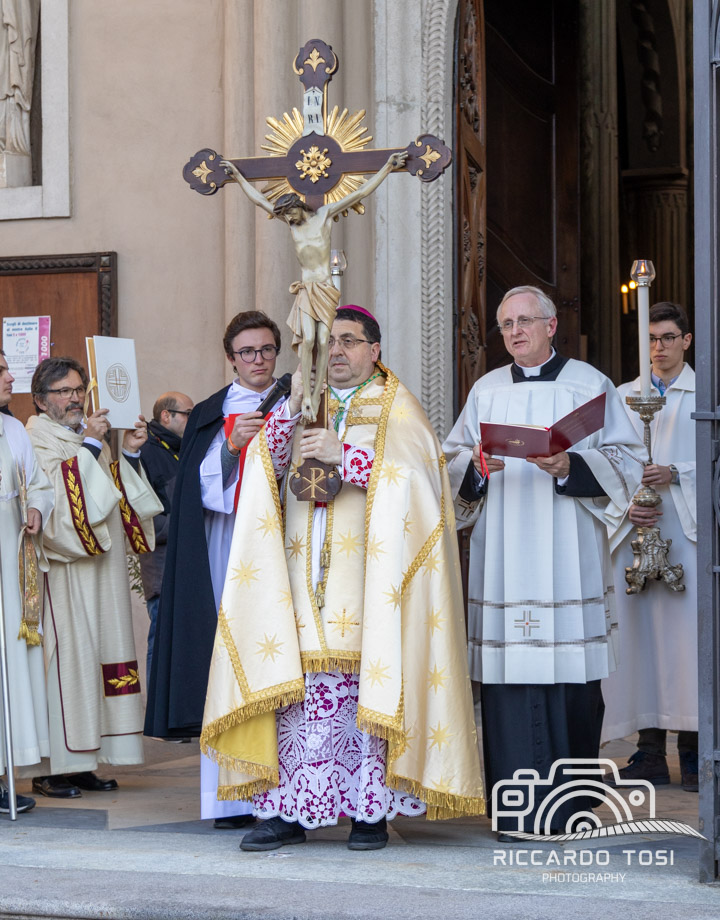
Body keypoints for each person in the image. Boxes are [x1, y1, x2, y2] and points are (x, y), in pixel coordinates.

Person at [201, 305, 484, 852]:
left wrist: (347, 455)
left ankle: (368, 813)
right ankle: (289, 813)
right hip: (299, 579)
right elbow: (266, 470)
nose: (337, 352)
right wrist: (285, 417)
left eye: (350, 342)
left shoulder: (397, 406)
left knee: (364, 697)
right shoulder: (305, 401)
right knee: (297, 701)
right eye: (329, 343)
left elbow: (421, 488)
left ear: (374, 350)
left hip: (370, 589)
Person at [443, 285, 646, 837]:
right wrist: (479, 469)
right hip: (504, 557)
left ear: (551, 325)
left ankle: (572, 809)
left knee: (571, 682)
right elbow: (452, 459)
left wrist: (571, 466)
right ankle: (513, 810)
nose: (513, 332)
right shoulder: (485, 390)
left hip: (568, 554)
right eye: (506, 324)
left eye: (524, 321)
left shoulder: (589, 385)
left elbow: (627, 459)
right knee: (509, 683)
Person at [145, 311, 286, 828]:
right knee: (224, 661)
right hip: (228, 549)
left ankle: (284, 797)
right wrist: (229, 447)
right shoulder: (211, 411)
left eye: (267, 349)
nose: (258, 360)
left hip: (285, 551)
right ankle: (231, 797)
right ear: (231, 358)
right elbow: (195, 493)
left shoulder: (297, 402)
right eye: (247, 352)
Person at [26, 356, 162, 798]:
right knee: (73, 665)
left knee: (106, 657)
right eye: (62, 392)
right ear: (42, 401)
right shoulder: (36, 437)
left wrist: (128, 452)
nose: (73, 398)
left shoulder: (87, 438)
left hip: (100, 572)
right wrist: (89, 446)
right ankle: (54, 767)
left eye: (78, 389)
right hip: (66, 574)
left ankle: (88, 760)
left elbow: (113, 494)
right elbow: (58, 505)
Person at [220, 152, 407, 422]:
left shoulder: (324, 217)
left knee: (323, 341)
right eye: (287, 218)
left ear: (298, 207)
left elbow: (360, 192)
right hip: (307, 290)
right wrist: (237, 176)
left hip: (324, 288)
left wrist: (387, 167)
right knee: (308, 341)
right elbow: (261, 200)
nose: (290, 221)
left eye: (292, 215)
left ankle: (320, 391)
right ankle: (308, 394)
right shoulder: (293, 225)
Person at [601, 302, 698, 791]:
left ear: (686, 340)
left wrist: (677, 474)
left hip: (686, 530)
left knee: (687, 644)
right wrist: (626, 503)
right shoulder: (621, 398)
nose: (657, 348)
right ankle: (649, 753)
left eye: (666, 338)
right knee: (640, 645)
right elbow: (604, 462)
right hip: (638, 529)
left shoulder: (704, 393)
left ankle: (696, 753)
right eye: (651, 340)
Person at [0, 350, 53, 814]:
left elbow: (38, 483)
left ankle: (3, 777)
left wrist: (35, 507)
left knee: (9, 669)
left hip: (11, 562)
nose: (9, 376)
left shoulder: (14, 430)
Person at [138, 391, 194, 678]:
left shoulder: (181, 450)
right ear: (166, 416)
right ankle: (154, 718)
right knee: (159, 645)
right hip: (162, 568)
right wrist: (190, 521)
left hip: (186, 565)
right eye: (187, 413)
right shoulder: (146, 452)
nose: (192, 419)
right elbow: (144, 519)